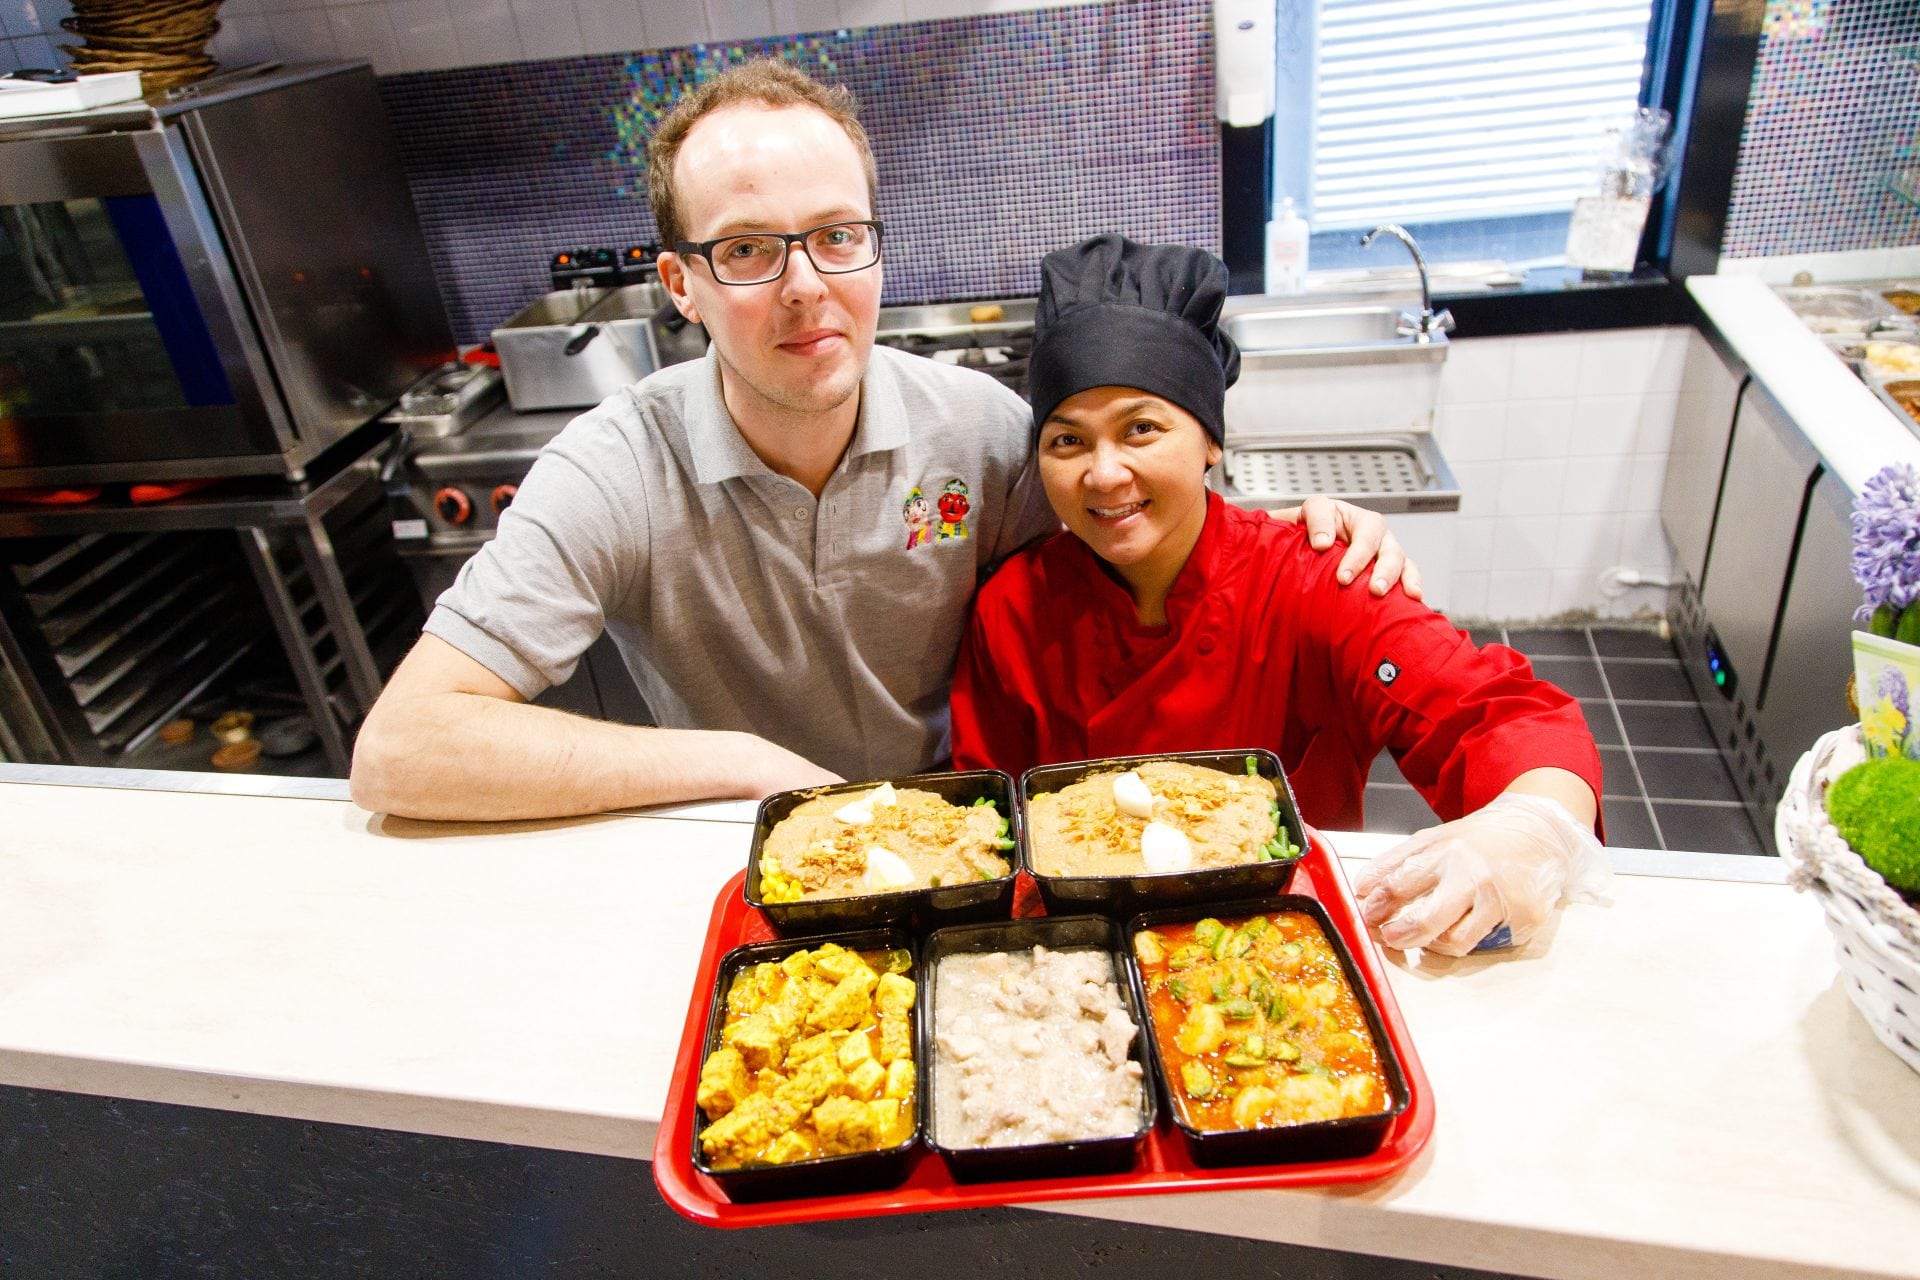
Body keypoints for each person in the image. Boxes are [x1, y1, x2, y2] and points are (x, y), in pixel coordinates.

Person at [348, 62, 1414, 823]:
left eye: (836, 236)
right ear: (682, 287)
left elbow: (1142, 544)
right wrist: (736, 764)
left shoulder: (982, 433)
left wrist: (1295, 551)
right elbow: (403, 749)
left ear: (875, 248)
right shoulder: (618, 467)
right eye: (751, 250)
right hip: (746, 841)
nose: (808, 286)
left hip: (969, 837)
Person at [949, 235, 1607, 957]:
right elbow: (995, 825)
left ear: (1210, 441)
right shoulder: (1014, 606)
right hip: (1087, 957)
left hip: (1285, 945)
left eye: (1142, 428)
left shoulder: (1316, 579)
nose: (1104, 474)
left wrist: (1530, 828)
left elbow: (1498, 716)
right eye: (1067, 441)